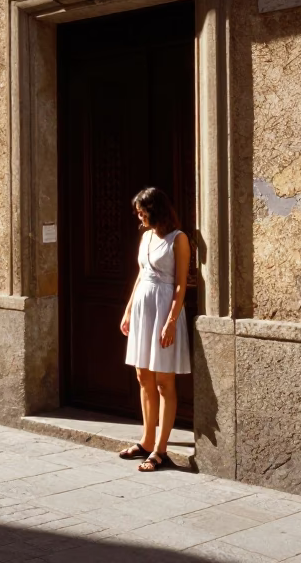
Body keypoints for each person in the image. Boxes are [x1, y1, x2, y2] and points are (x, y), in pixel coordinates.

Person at [117, 187, 191, 472]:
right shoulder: (146, 236)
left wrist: (171, 321)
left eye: (142, 211)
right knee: (142, 376)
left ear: (154, 209)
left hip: (164, 311)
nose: (139, 217)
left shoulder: (178, 239)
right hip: (142, 310)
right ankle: (146, 440)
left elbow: (181, 284)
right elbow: (140, 276)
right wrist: (127, 310)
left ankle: (161, 449)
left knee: (164, 381)